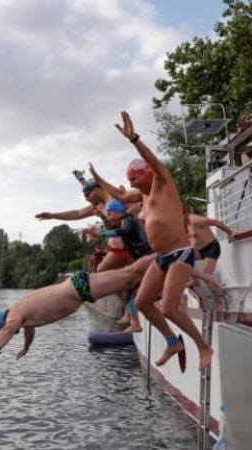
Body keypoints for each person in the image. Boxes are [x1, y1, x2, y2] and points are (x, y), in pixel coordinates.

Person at [110, 110, 213, 371]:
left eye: (134, 179)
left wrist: (133, 139)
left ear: (146, 173)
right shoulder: (143, 196)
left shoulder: (162, 181)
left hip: (180, 253)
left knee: (168, 307)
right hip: (162, 257)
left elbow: (153, 161)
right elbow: (119, 198)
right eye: (129, 181)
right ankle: (172, 341)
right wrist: (93, 180)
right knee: (142, 302)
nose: (131, 184)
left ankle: (203, 346)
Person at [0, 255, 156, 358]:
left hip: (78, 289)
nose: (15, 332)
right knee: (129, 278)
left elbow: (10, 328)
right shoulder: (22, 316)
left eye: (4, 330)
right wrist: (25, 348)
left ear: (2, 322)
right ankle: (163, 265)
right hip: (78, 288)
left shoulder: (13, 316)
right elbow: (28, 332)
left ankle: (167, 254)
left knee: (130, 275)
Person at [86, 198, 153, 333]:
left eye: (110, 214)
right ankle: (134, 322)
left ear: (119, 212)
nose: (109, 217)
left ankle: (136, 320)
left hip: (148, 257)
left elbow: (123, 231)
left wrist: (100, 233)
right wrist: (102, 221)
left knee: (134, 289)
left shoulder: (128, 220)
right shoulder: (122, 221)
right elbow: (116, 229)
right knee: (129, 290)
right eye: (108, 215)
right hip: (143, 259)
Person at [35, 179, 131, 272]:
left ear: (96, 190)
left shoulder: (116, 198)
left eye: (87, 195)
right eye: (85, 196)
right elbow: (77, 214)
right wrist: (52, 215)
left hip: (128, 243)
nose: (87, 199)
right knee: (101, 271)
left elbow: (134, 207)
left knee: (102, 271)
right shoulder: (97, 206)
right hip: (117, 244)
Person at [184, 208, 234, 275]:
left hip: (211, 248)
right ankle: (193, 280)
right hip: (197, 251)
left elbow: (215, 222)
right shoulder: (181, 225)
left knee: (206, 274)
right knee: (180, 261)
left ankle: (213, 284)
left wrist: (230, 232)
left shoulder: (194, 219)